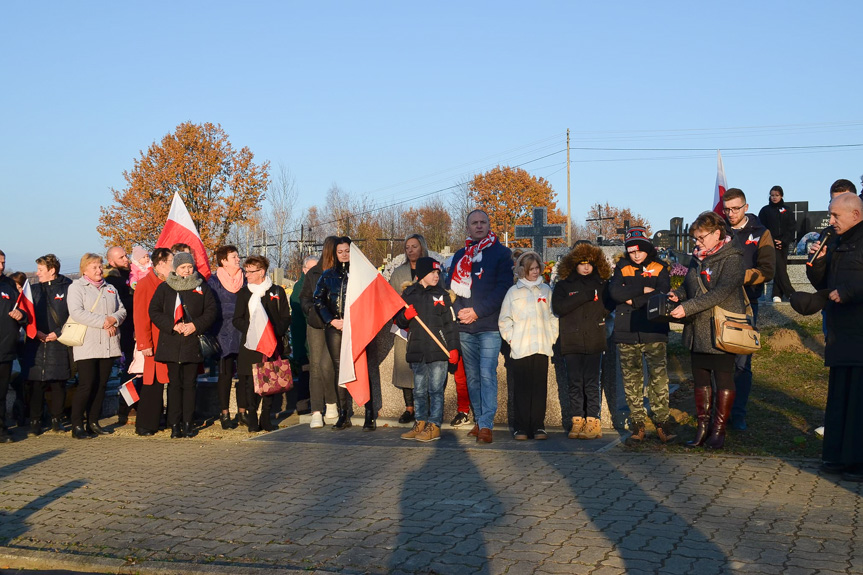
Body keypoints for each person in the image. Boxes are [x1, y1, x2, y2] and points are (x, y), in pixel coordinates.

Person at [669, 211, 746, 450]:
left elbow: (720, 292)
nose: (697, 243)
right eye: (696, 238)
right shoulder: (696, 258)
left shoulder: (733, 258)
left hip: (722, 329)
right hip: (697, 329)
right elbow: (688, 286)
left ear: (716, 233)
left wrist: (687, 306)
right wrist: (678, 295)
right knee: (700, 378)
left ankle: (718, 430)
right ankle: (702, 428)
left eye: (701, 238)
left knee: (723, 378)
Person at [806, 193, 863, 482]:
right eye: (830, 215)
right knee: (839, 400)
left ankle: (857, 462)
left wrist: (850, 292)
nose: (830, 221)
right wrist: (817, 261)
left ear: (855, 214)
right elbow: (822, 282)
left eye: (836, 216)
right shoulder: (836, 241)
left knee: (859, 404)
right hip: (840, 335)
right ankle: (836, 457)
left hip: (860, 333)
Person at [447, 209, 513, 444]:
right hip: (465, 327)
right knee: (473, 377)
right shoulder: (459, 256)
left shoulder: (501, 254)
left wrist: (476, 311)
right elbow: (450, 290)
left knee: (487, 374)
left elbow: (503, 288)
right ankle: (479, 419)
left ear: (489, 225)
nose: (478, 226)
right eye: (474, 223)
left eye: (482, 222)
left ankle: (486, 424)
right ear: (467, 227)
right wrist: (459, 313)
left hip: (489, 326)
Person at [608, 226, 675, 443]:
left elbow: (661, 293)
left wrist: (633, 297)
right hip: (626, 330)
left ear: (647, 249)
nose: (635, 255)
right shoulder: (622, 267)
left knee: (658, 379)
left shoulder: (659, 268)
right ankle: (637, 424)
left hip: (653, 329)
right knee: (631, 380)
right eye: (631, 251)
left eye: (639, 251)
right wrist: (644, 290)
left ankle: (662, 423)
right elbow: (615, 292)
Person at [148, 251, 217, 438]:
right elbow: (154, 311)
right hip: (171, 343)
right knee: (174, 386)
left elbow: (211, 311)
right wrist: (173, 325)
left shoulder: (202, 287)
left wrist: (195, 325)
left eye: (189, 267)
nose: (187, 270)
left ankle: (188, 423)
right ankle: (174, 424)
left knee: (190, 385)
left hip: (192, 343)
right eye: (182, 267)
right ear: (175, 269)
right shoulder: (165, 288)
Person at [723, 188, 775, 431]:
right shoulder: (718, 229)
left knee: (742, 363)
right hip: (718, 303)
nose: (731, 214)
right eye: (727, 209)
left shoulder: (761, 233)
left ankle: (739, 414)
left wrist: (739, 277)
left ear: (745, 207)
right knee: (721, 362)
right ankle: (720, 414)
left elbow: (767, 270)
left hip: (746, 303)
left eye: (735, 208)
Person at [314, 237, 378, 431]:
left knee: (363, 368)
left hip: (358, 327)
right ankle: (343, 413)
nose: (343, 255)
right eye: (340, 251)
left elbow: (372, 299)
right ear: (335, 253)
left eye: (347, 251)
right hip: (335, 327)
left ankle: (369, 413)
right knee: (339, 368)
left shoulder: (362, 274)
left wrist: (356, 321)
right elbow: (318, 300)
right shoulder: (327, 275)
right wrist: (331, 320)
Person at [395, 257, 460, 442]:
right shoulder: (409, 294)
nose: (436, 276)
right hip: (417, 349)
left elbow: (450, 324)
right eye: (432, 273)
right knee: (419, 391)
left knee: (436, 390)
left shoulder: (442, 295)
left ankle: (434, 425)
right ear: (422, 274)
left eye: (438, 273)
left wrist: (454, 348)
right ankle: (420, 422)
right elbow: (398, 320)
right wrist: (404, 316)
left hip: (438, 350)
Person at [552, 242, 612, 440]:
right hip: (572, 340)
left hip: (594, 339)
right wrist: (584, 296)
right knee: (574, 382)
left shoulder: (602, 285)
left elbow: (609, 305)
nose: (586, 267)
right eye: (581, 263)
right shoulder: (563, 285)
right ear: (574, 264)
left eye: (589, 263)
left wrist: (599, 316)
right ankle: (577, 420)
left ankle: (593, 420)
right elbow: (559, 308)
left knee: (592, 382)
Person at [498, 252, 558, 440]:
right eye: (531, 268)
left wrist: (551, 338)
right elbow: (505, 320)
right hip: (520, 347)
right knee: (522, 389)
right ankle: (521, 427)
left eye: (537, 268)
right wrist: (512, 339)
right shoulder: (513, 292)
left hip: (541, 345)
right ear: (523, 270)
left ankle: (538, 426)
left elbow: (553, 317)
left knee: (539, 388)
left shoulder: (546, 290)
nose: (535, 271)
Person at [67, 253, 127, 439]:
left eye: (100, 266)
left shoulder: (110, 288)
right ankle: (77, 424)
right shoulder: (77, 287)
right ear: (84, 269)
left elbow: (122, 310)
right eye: (94, 267)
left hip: (109, 343)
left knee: (101, 385)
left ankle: (93, 421)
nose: (99, 270)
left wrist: (114, 320)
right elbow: (77, 312)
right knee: (86, 384)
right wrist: (104, 322)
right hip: (88, 343)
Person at [232, 255, 291, 433]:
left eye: (251, 271)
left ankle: (266, 417)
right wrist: (253, 330)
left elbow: (285, 317)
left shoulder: (277, 291)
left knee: (270, 381)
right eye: (246, 271)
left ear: (262, 272)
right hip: (251, 345)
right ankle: (252, 417)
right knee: (250, 383)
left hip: (271, 344)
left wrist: (273, 331)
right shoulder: (244, 293)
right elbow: (237, 319)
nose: (247, 274)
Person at [21, 254, 73, 436]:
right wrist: (36, 333)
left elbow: (73, 315)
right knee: (36, 384)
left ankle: (56, 419)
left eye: (41, 270)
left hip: (58, 342)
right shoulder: (33, 290)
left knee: (59, 383)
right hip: (36, 344)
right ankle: (35, 420)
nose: (37, 273)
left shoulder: (68, 288)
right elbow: (24, 314)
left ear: (52, 271)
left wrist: (58, 333)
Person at [388, 234, 430, 424]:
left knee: (425, 367)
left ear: (422, 247)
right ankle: (409, 408)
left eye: (414, 246)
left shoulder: (431, 269)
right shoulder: (398, 273)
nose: (411, 250)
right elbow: (391, 301)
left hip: (426, 326)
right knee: (405, 366)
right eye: (407, 247)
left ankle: (426, 408)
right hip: (404, 327)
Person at [133, 248, 173, 436]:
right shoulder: (145, 284)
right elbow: (140, 317)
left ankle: (162, 419)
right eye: (172, 260)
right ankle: (145, 424)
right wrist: (144, 343)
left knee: (167, 380)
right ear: (161, 263)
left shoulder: (170, 282)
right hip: (154, 341)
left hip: (169, 340)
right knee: (152, 382)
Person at [300, 236, 339, 429]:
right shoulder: (313, 273)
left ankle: (331, 402)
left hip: (335, 324)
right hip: (316, 324)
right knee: (315, 365)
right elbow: (304, 297)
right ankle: (316, 411)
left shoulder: (343, 272)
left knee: (327, 365)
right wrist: (310, 310)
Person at [206, 245, 247, 429]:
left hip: (243, 331)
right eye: (234, 257)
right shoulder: (213, 281)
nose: (238, 259)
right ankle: (224, 414)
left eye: (238, 256)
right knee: (225, 374)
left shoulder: (245, 278)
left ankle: (243, 412)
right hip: (223, 332)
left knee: (245, 374)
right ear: (223, 260)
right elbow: (211, 307)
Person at [104, 246, 137, 425]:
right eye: (121, 257)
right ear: (111, 261)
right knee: (127, 370)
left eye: (126, 255)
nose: (126, 259)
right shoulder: (112, 281)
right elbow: (118, 305)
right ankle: (126, 406)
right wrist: (138, 296)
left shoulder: (133, 275)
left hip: (136, 328)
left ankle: (134, 404)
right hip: (124, 332)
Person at [0, 250, 28, 443]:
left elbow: (24, 310)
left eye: (3, 263)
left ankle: (2, 429)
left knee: (1, 393)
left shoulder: (9, 285)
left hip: (6, 348)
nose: (1, 266)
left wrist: (21, 316)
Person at [289, 254, 318, 416]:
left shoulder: (314, 284)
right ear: (304, 270)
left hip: (312, 337)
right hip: (304, 339)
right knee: (306, 372)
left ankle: (311, 403)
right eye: (311, 269)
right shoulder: (301, 287)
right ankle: (303, 404)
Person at [757, 186, 794, 303]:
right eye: (772, 195)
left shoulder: (787, 210)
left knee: (781, 268)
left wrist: (783, 241)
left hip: (783, 244)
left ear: (781, 196)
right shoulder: (765, 210)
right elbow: (761, 228)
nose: (774, 197)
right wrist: (772, 240)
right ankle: (791, 293)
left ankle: (776, 294)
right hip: (769, 244)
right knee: (779, 267)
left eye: (777, 195)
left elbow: (791, 228)